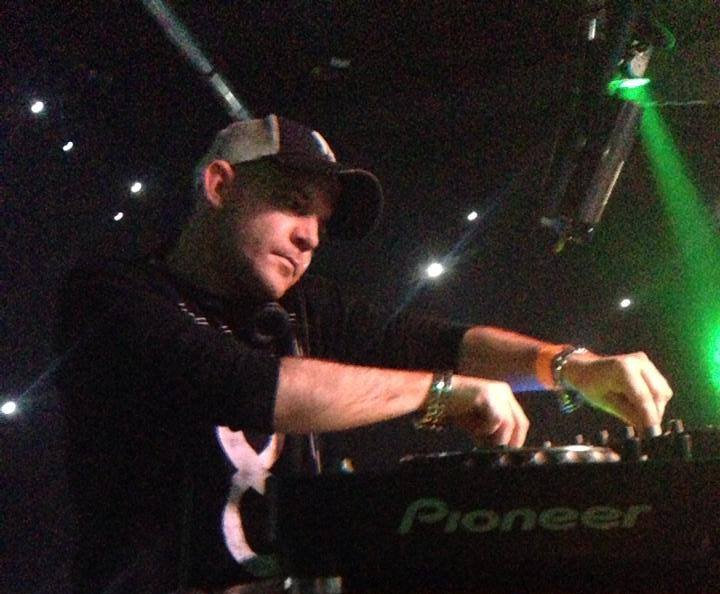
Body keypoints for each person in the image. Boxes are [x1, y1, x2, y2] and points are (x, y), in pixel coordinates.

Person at [56, 114, 673, 593]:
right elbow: (247, 386)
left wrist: (569, 366)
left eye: (321, 223)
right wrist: (438, 393)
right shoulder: (112, 295)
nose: (309, 236)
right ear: (221, 186)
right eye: (295, 204)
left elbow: (440, 344)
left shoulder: (304, 307)